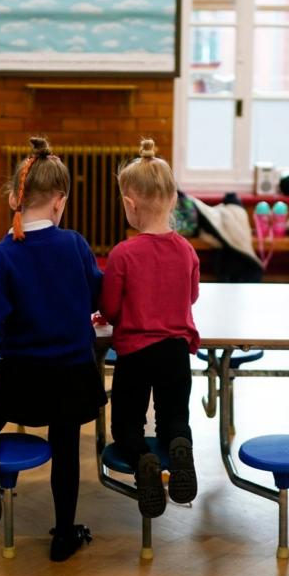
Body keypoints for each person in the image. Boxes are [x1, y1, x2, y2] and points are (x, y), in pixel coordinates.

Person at [0, 136, 106, 561]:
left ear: (14, 198)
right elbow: (99, 296)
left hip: (20, 384)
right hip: (71, 381)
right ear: (60, 203)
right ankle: (64, 535)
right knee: (67, 452)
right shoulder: (77, 245)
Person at [99, 138, 201, 518]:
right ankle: (180, 449)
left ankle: (142, 459)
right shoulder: (187, 250)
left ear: (129, 203)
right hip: (175, 351)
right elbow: (190, 297)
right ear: (174, 200)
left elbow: (109, 308)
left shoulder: (123, 253)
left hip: (135, 354)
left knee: (127, 423)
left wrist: (109, 315)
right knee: (176, 417)